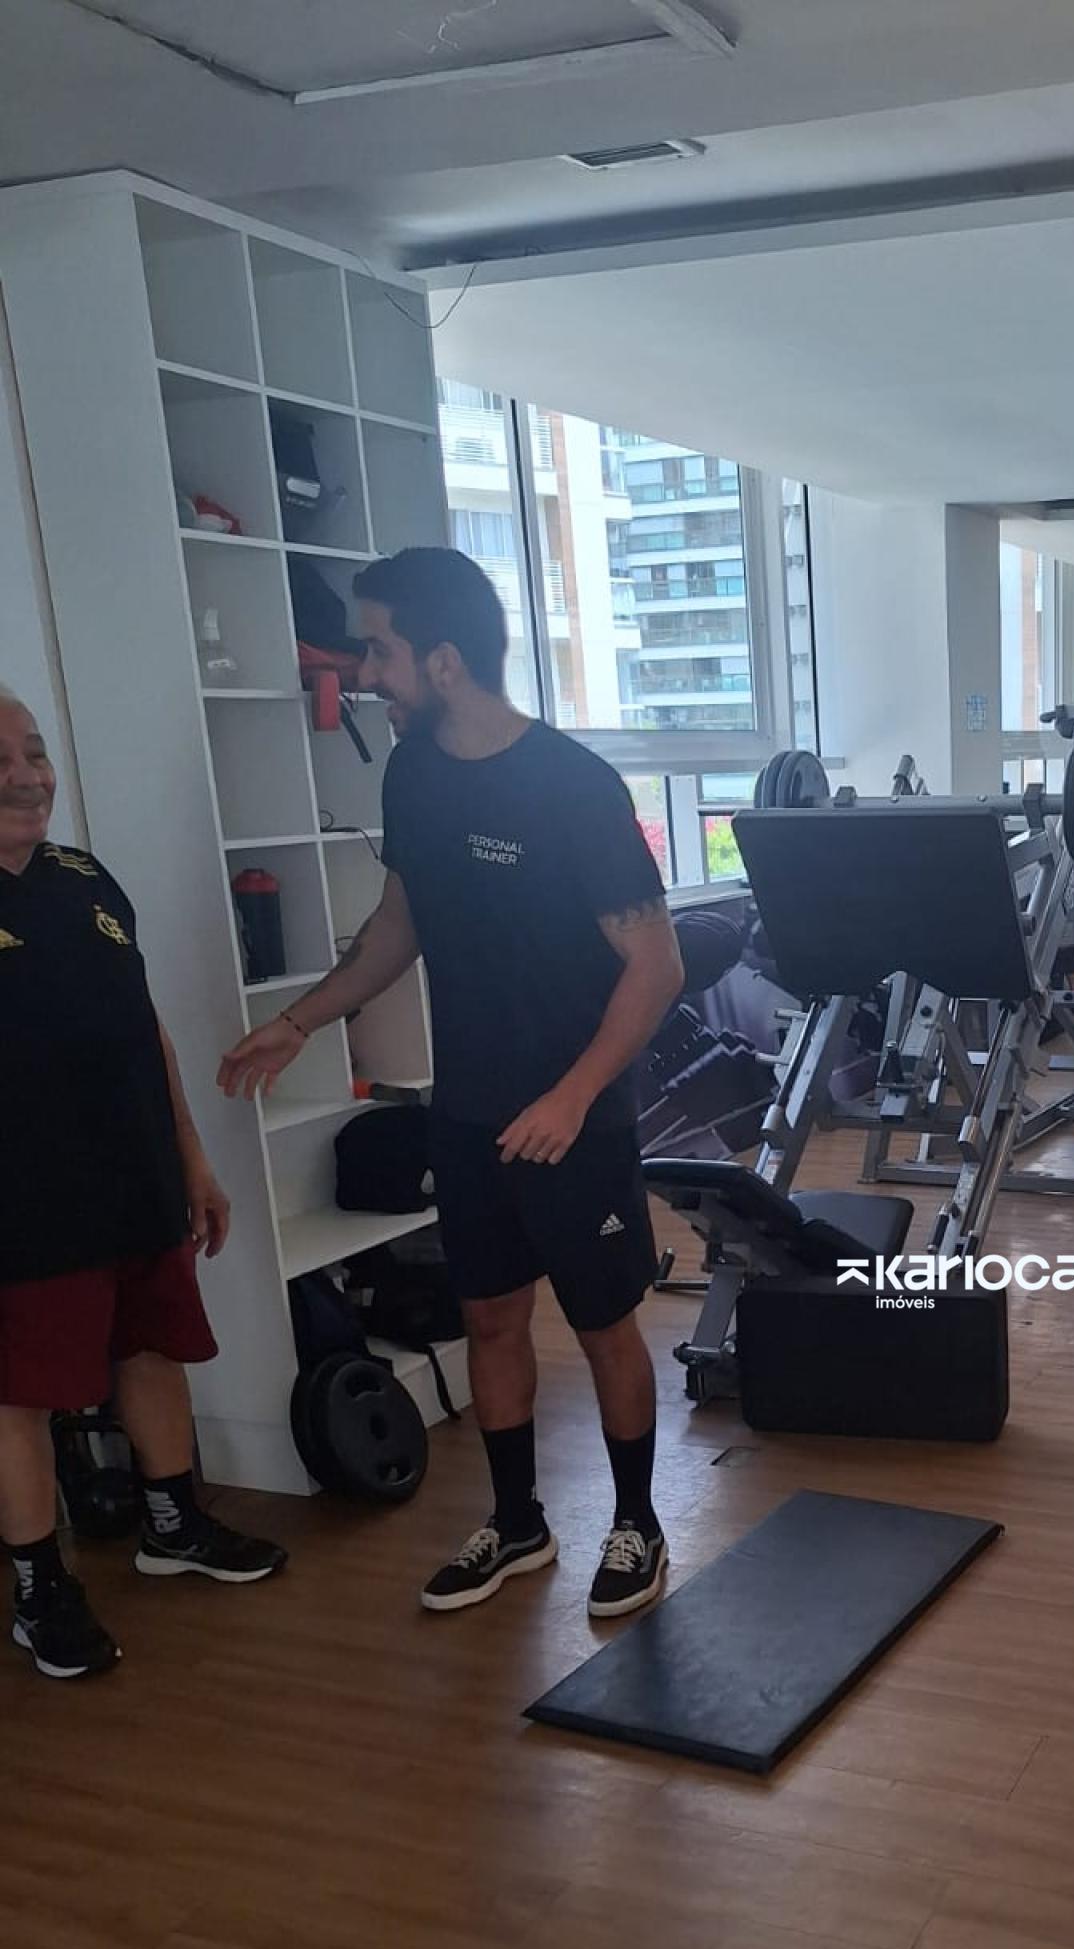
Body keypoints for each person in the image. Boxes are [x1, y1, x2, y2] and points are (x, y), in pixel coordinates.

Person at [219, 549, 686, 1620]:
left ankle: (638, 1525)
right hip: (469, 1111)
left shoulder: (573, 784)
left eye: (377, 649)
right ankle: (517, 1523)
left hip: (574, 1118)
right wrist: (299, 1022)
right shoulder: (413, 774)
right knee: (489, 1320)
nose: (364, 672)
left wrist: (572, 1096)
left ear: (443, 659)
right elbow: (400, 925)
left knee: (606, 1325)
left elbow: (657, 966)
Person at [0, 690, 286, 1679]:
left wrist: (192, 1158)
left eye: (35, 753)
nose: (28, 776)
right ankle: (39, 1588)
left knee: (154, 1351)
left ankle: (174, 1524)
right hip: (26, 1207)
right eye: (1, 762)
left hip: (135, 1180)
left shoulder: (85, 878)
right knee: (20, 1398)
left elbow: (145, 1029)